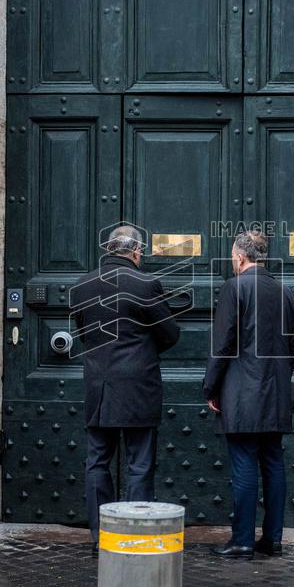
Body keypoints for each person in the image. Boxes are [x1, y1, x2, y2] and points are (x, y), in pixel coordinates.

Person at [72, 226, 181, 547]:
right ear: (136, 252)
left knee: (97, 461)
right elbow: (170, 333)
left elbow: (83, 331)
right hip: (138, 386)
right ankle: (133, 531)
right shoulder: (144, 283)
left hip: (98, 385)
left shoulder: (82, 285)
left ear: (108, 249)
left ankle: (99, 535)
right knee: (140, 463)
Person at [204, 231, 294, 559]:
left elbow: (223, 344)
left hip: (242, 394)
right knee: (273, 464)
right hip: (276, 394)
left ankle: (242, 539)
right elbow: (292, 348)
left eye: (233, 256)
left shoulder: (235, 288)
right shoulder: (284, 292)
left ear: (241, 257)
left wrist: (211, 387)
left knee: (244, 463)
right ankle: (272, 539)